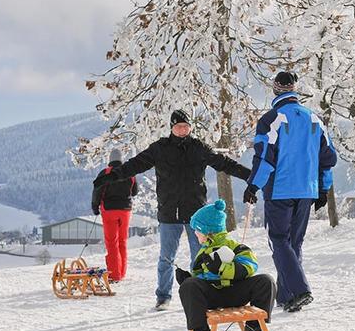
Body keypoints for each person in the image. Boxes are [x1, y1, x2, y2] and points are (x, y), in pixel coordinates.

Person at [93, 109, 251, 310]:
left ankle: (203, 294)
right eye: (179, 126)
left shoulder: (199, 148)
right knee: (166, 257)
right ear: (172, 128)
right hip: (169, 213)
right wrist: (111, 176)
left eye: (186, 126)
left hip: (196, 217)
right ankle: (163, 296)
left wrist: (249, 176)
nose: (183, 130)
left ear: (190, 128)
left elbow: (224, 164)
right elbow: (135, 165)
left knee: (201, 256)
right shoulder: (160, 149)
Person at [243, 71, 337, 312]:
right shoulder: (314, 119)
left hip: (280, 189)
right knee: (293, 242)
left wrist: (253, 185)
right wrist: (323, 189)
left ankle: (299, 289)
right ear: (295, 89)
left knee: (278, 240)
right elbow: (328, 158)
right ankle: (287, 298)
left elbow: (265, 157)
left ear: (275, 90)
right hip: (307, 190)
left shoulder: (272, 118)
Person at [175, 199, 276, 331]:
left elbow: (249, 266)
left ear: (208, 232)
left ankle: (254, 329)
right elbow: (200, 277)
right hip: (213, 295)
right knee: (189, 286)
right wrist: (189, 279)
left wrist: (222, 268)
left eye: (198, 231)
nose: (195, 234)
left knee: (266, 281)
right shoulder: (202, 252)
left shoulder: (235, 247)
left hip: (236, 291)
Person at [91, 148, 137, 283]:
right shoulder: (130, 173)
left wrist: (95, 206)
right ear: (121, 159)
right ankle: (122, 273)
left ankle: (114, 275)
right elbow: (134, 192)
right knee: (122, 241)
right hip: (125, 210)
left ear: (109, 160)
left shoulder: (105, 173)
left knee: (112, 243)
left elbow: (97, 191)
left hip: (109, 210)